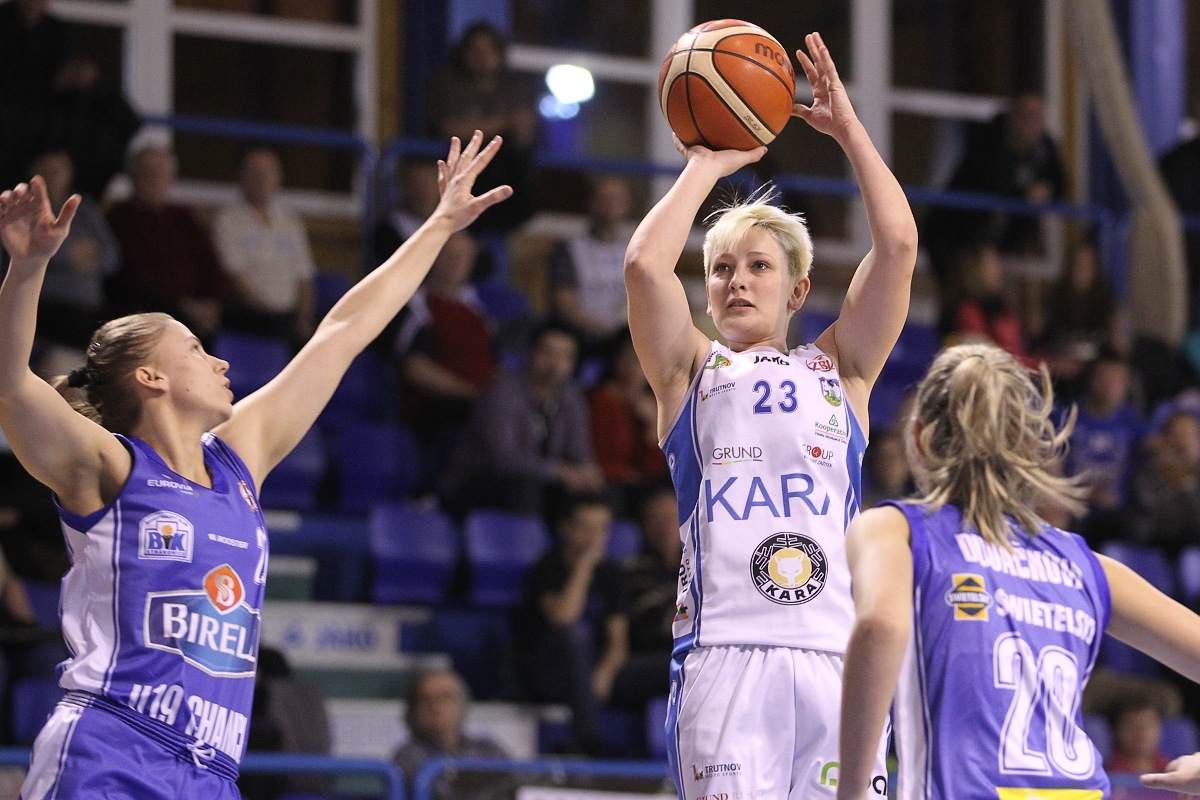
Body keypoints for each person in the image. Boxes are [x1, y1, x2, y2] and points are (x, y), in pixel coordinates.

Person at [0, 130, 512, 798]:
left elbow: (342, 332)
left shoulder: (239, 459)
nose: (220, 360)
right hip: (111, 752)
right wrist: (27, 268)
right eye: (194, 348)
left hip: (210, 772)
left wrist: (439, 225)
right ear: (150, 377)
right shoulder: (110, 468)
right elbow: (11, 386)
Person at [625, 32, 916, 798]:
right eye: (721, 268)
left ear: (797, 290)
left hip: (836, 657)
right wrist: (706, 164)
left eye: (758, 266)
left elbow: (897, 246)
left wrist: (850, 132)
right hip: (725, 650)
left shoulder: (842, 368)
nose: (737, 281)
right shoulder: (691, 370)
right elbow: (644, 266)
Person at [834, 343, 1200, 800]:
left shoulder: (896, 529)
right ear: (1028, 451)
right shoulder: (1090, 566)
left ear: (921, 439)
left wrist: (852, 792)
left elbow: (881, 628)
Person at [440, 321, 603, 517]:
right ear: (531, 352)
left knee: (596, 492)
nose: (555, 363)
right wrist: (558, 472)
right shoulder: (501, 392)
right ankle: (525, 538)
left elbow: (580, 451)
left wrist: (587, 472)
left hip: (539, 480)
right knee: (525, 487)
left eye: (564, 356)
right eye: (548, 353)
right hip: (479, 480)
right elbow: (504, 459)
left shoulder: (572, 398)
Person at [514, 493, 627, 752]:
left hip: (593, 671)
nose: (594, 537)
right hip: (548, 669)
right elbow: (564, 617)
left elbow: (618, 641)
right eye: (586, 528)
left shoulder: (613, 573)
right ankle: (589, 740)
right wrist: (585, 565)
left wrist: (605, 672)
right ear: (566, 529)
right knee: (574, 635)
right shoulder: (546, 567)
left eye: (601, 529)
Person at [106, 144, 230, 338]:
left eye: (161, 173)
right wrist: (185, 305)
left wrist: (211, 302)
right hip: (150, 310)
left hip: (197, 308)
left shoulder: (184, 217)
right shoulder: (120, 218)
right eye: (147, 172)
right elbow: (134, 277)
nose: (154, 179)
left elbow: (210, 265)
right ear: (133, 176)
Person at [212, 148, 317, 345]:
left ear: (279, 177)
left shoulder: (290, 220)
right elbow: (234, 278)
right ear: (242, 176)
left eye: (268, 172)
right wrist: (270, 313)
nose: (261, 178)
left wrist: (303, 317)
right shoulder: (228, 220)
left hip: (290, 317)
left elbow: (304, 277)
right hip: (251, 315)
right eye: (255, 172)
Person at [22, 148, 120, 349]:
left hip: (91, 307)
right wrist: (70, 254)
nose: (55, 176)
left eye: (60, 170)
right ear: (35, 173)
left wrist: (76, 256)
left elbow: (112, 258)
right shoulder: (24, 209)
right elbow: (29, 254)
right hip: (48, 304)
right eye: (49, 170)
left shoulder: (85, 209)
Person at [394, 667, 507, 799]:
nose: (436, 707)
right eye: (426, 699)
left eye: (446, 698)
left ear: (462, 705)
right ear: (413, 710)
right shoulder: (408, 757)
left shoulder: (487, 749)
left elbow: (516, 785)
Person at [549, 176, 634, 341]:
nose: (610, 205)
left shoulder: (635, 250)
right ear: (591, 203)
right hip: (582, 336)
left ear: (627, 205)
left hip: (628, 338)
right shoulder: (570, 249)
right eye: (604, 198)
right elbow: (566, 305)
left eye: (616, 199)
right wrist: (606, 332)